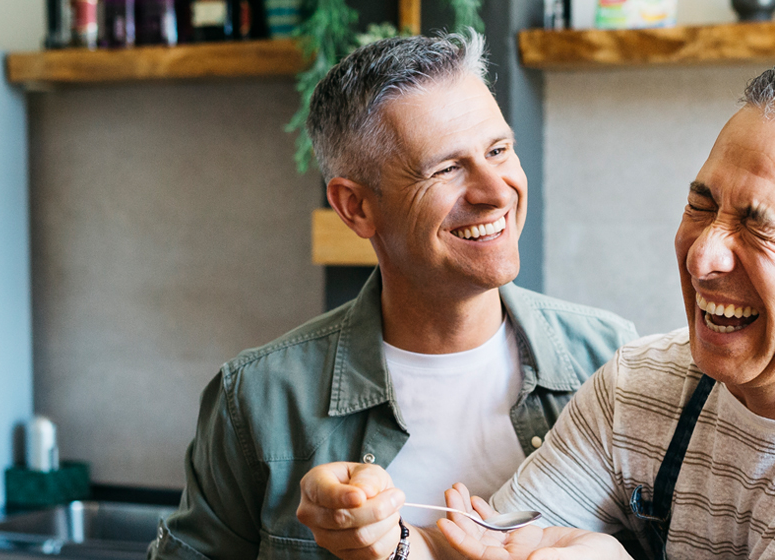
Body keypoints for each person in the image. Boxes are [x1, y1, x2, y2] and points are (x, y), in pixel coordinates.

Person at [296, 60, 775, 559]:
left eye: (759, 225)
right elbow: (482, 544)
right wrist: (383, 538)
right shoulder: (641, 387)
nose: (704, 255)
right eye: (701, 205)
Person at [145, 33, 638, 560]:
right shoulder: (258, 400)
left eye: (498, 150)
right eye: (447, 169)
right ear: (355, 207)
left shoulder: (615, 362)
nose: (496, 192)